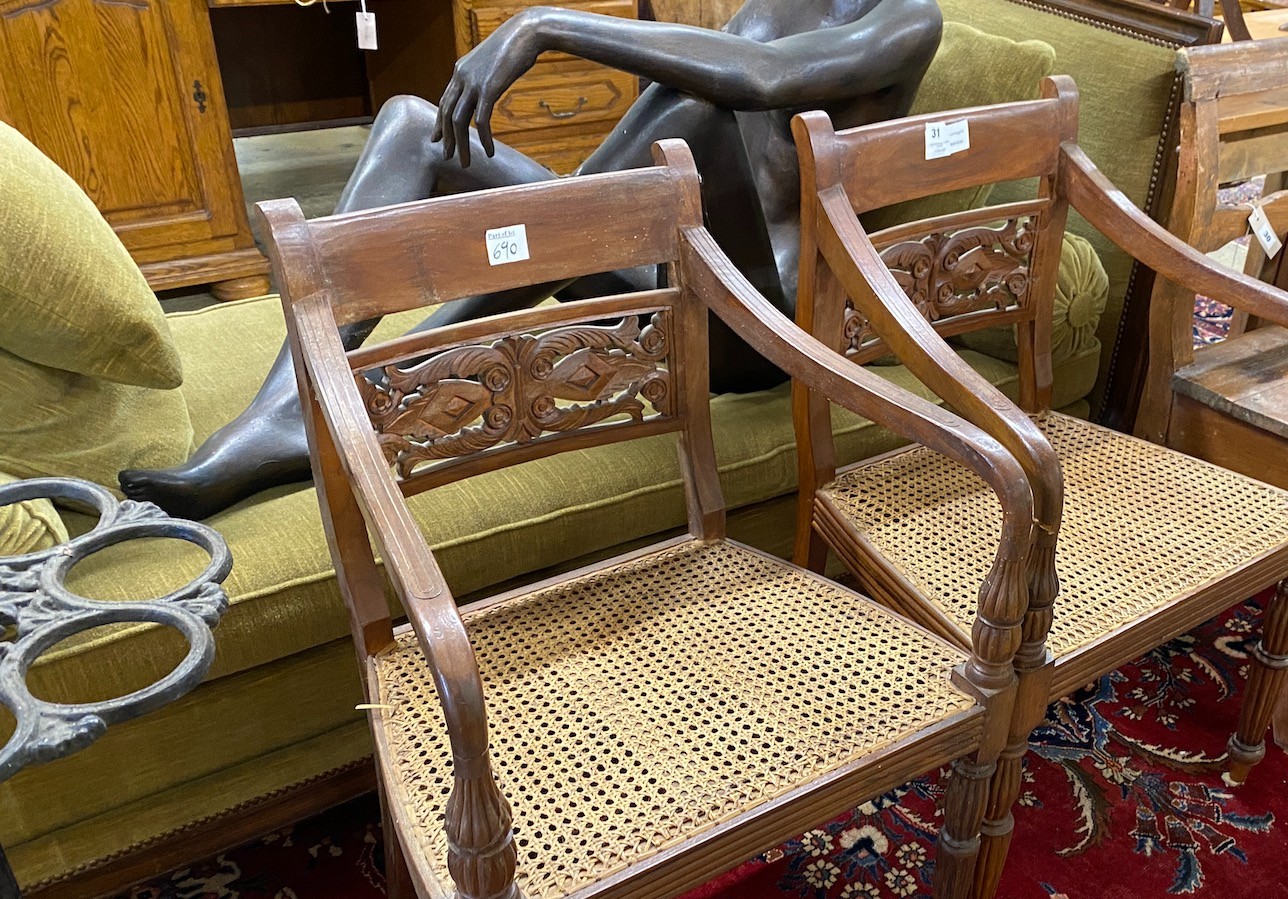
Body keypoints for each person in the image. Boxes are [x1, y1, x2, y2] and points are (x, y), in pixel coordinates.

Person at [121, 0, 943, 519]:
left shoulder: (909, 18)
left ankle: (383, 379)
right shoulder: (770, 3)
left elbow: (767, 80)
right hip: (657, 269)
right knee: (413, 123)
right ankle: (289, 407)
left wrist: (545, 23)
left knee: (704, 102)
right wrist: (562, 210)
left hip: (760, 320)